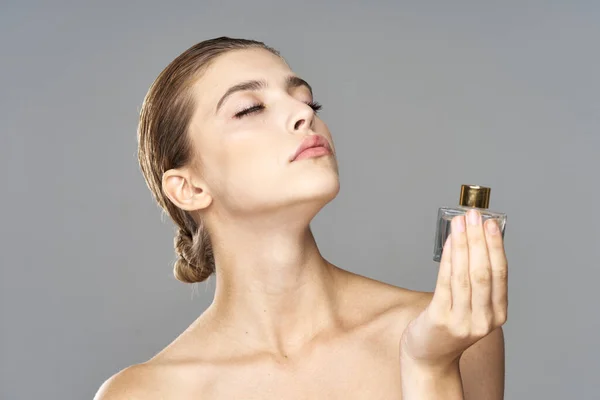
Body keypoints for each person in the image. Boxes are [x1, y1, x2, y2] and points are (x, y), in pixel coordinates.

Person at [94, 37, 508, 399]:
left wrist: (429, 368)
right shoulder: (143, 394)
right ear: (190, 188)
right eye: (250, 108)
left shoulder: (450, 331)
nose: (303, 114)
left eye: (308, 100)